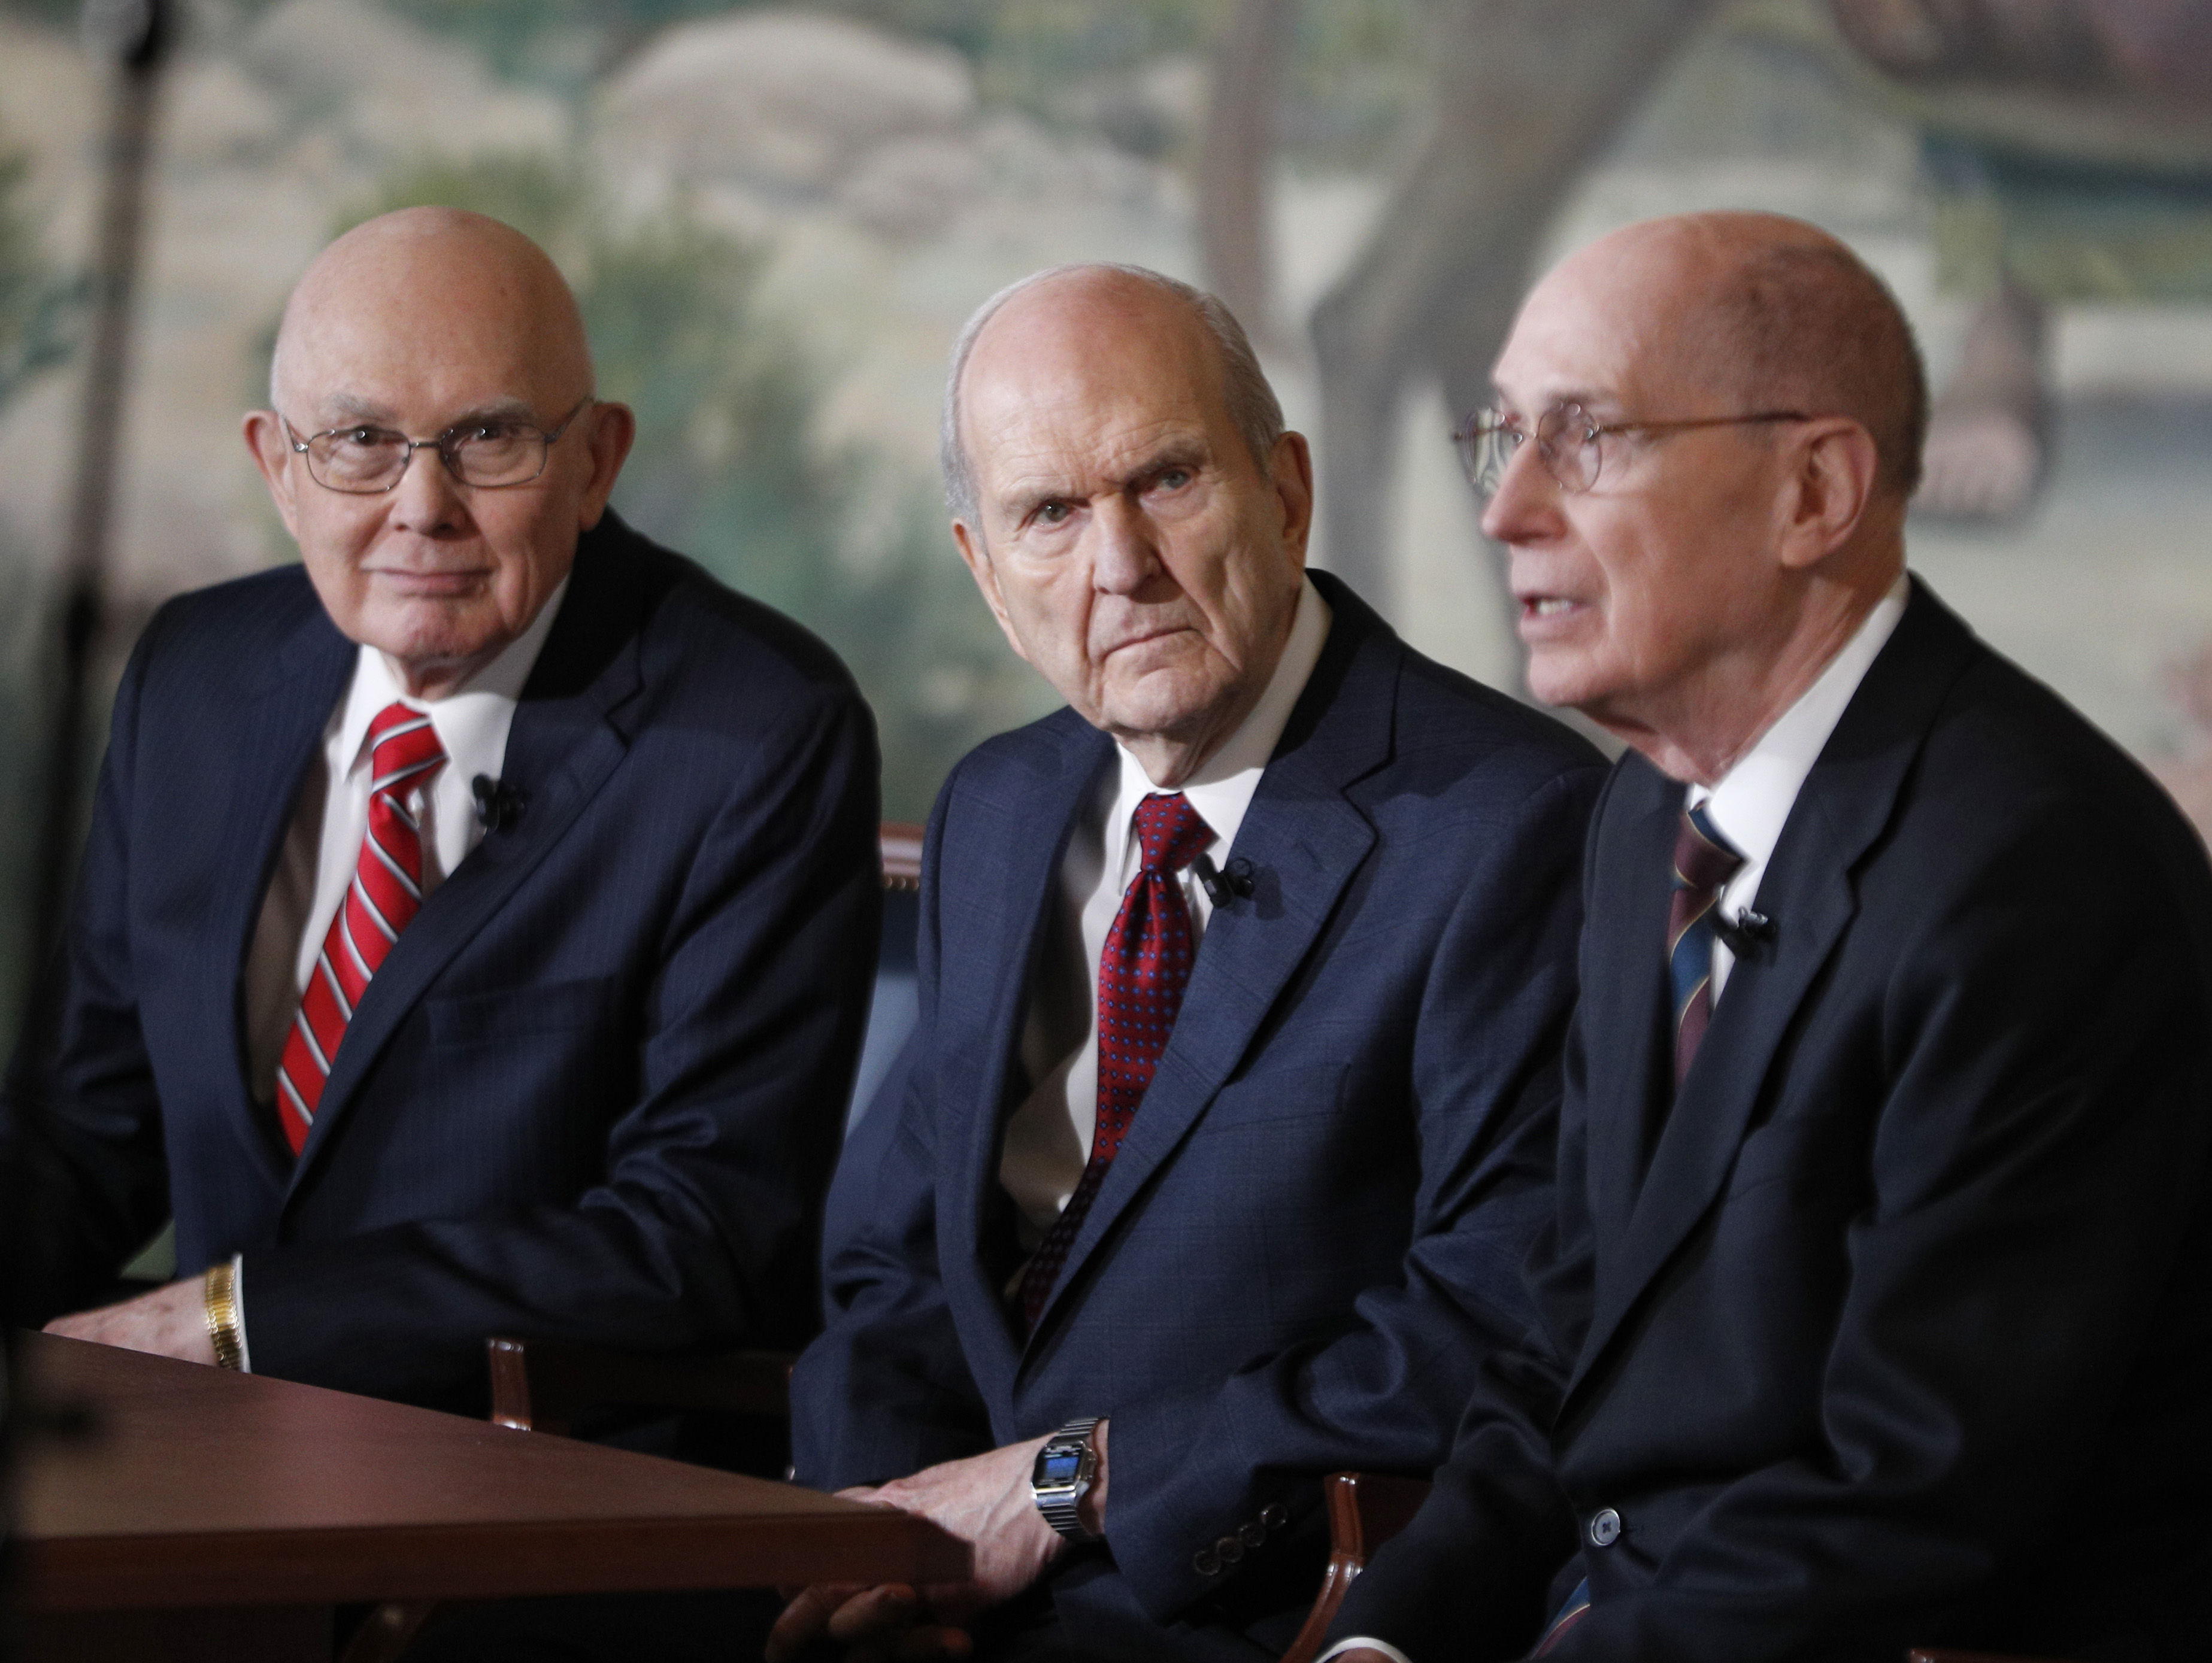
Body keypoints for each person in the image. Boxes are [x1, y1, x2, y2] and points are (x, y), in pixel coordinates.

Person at [1324, 211, 2212, 1662]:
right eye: (1501, 439)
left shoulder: (2040, 876)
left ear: (1813, 490)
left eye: (1586, 437)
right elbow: (1569, 1341)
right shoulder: (1639, 821)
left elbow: (1902, 1501)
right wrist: (1387, 1643)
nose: (1505, 511)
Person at [772, 263, 1606, 1662]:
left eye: (1163, 481)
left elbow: (1486, 1325)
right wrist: (890, 1539)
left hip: (1245, 1602)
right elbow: (893, 1264)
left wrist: (1058, 1489)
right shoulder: (998, 805)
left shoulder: (1507, 823)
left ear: (1283, 489)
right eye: (1048, 514)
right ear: (984, 571)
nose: (1119, 565)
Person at [1, 208, 880, 1425]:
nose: (423, 505)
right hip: (191, 1467)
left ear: (595, 460)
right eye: (360, 441)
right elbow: (87, 1122)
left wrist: (242, 1324)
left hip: (535, 1494)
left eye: (487, 438)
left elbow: (702, 1232)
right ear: (276, 465)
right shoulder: (195, 676)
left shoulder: (756, 732)